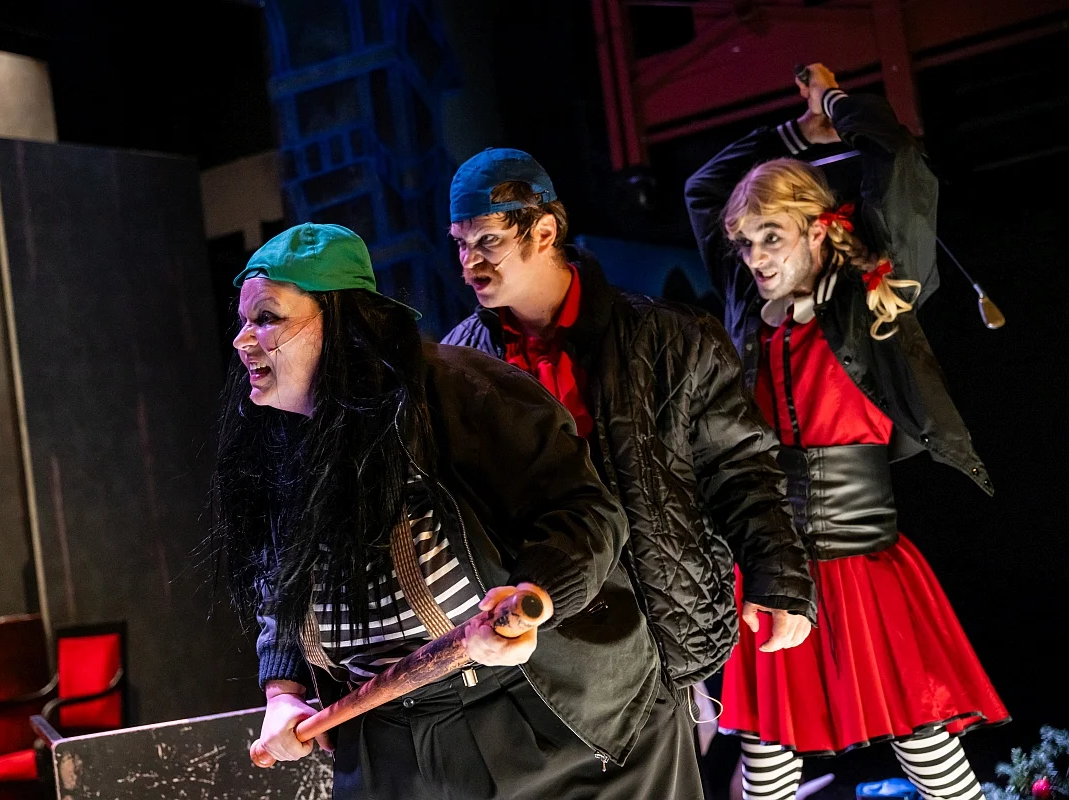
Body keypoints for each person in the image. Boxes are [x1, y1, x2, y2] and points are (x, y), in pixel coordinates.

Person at [211, 222, 691, 799]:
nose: (243, 341)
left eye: (267, 318)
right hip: (386, 740)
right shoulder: (284, 440)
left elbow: (583, 514)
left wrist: (531, 598)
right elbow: (281, 583)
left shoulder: (463, 392)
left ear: (342, 323)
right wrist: (282, 691)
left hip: (543, 724)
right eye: (244, 321)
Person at [441, 149, 818, 798]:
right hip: (531, 654)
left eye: (489, 241)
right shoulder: (457, 367)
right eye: (460, 243)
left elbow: (740, 468)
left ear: (544, 232)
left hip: (649, 631)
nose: (470, 261)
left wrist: (777, 573)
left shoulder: (668, 337)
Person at [684, 63, 1009, 800]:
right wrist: (791, 134)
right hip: (773, 563)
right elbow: (703, 189)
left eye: (771, 238)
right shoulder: (749, 305)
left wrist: (833, 105)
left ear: (818, 229)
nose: (755, 259)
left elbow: (900, 158)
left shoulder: (872, 292)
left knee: (924, 740)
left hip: (862, 559)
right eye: (745, 244)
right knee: (768, 754)